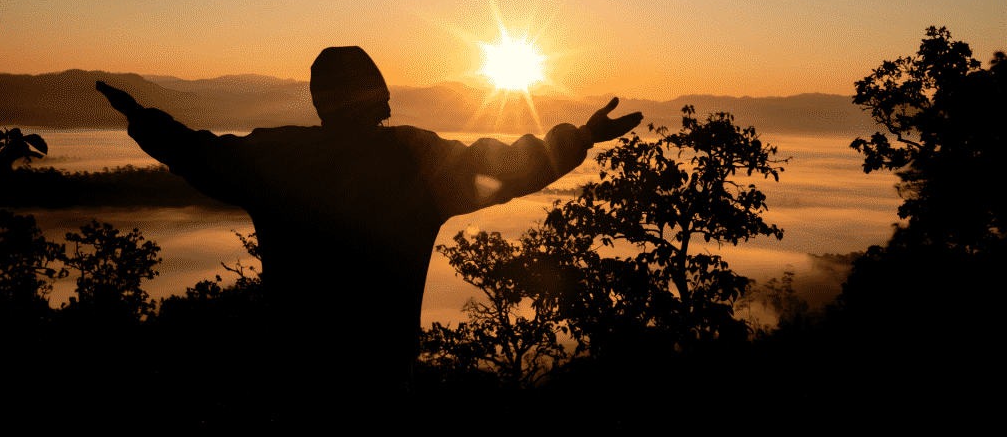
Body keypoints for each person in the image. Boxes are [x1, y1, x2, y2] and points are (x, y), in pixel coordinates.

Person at [96, 46, 642, 420]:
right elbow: (511, 166)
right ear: (379, 97)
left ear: (318, 99)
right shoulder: (416, 161)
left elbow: (198, 152)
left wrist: (143, 120)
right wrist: (582, 137)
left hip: (294, 380)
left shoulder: (278, 159)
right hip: (380, 381)